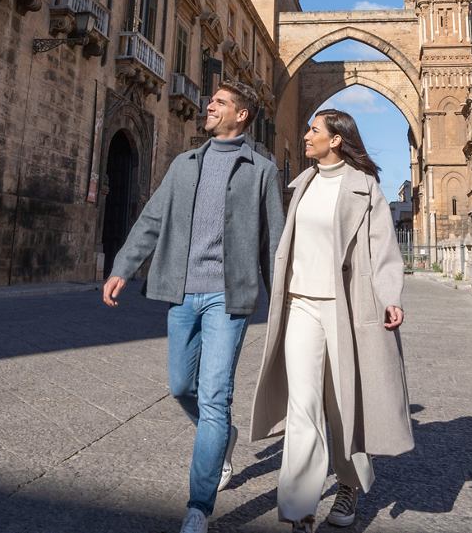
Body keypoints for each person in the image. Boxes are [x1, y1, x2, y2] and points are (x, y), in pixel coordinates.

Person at [102, 81, 284, 533]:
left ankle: (198, 507)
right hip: (182, 291)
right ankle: (222, 437)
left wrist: (282, 295)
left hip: (229, 295)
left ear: (241, 115)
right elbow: (152, 218)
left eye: (220, 103)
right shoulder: (183, 164)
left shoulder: (262, 170)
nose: (210, 106)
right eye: (212, 101)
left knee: (215, 395)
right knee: (181, 386)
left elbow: (274, 239)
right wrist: (123, 266)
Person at [250, 109, 414, 531]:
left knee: (344, 402)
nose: (305, 136)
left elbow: (383, 251)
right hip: (301, 302)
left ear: (336, 139)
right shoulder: (301, 184)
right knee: (302, 405)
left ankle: (348, 483)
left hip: (346, 305)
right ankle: (298, 510)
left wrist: (390, 296)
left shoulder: (365, 189)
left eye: (313, 130)